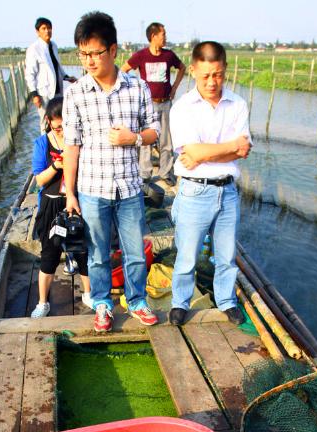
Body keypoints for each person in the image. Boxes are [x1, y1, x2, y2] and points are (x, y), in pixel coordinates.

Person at [62, 12, 161, 333]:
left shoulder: (137, 87)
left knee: (135, 252)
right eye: (83, 54)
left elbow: (154, 130)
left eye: (95, 53)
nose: (89, 61)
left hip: (130, 188)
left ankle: (137, 301)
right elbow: (72, 146)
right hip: (92, 189)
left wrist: (133, 138)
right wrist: (71, 193)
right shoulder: (76, 93)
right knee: (97, 254)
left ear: (113, 50)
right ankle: (102, 303)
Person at [168, 41, 252, 327]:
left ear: (225, 70)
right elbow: (193, 153)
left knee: (227, 255)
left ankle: (226, 301)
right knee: (187, 254)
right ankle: (180, 302)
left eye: (217, 74)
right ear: (192, 71)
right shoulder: (182, 108)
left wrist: (204, 152)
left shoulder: (238, 104)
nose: (212, 82)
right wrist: (226, 149)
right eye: (205, 75)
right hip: (194, 190)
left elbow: (243, 150)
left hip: (227, 191)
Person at [31, 96, 91, 318]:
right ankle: (42, 302)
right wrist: (57, 164)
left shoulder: (79, 140)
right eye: (57, 127)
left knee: (83, 249)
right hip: (51, 203)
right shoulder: (41, 144)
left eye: (66, 126)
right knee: (50, 253)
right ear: (48, 121)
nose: (62, 132)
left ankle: (88, 293)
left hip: (75, 200)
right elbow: (40, 180)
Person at [121, 22, 186, 186]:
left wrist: (174, 87)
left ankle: (165, 172)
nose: (165, 37)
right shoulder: (141, 55)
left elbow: (182, 68)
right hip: (147, 104)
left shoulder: (168, 55)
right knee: (145, 140)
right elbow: (123, 70)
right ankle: (145, 174)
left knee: (166, 140)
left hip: (165, 103)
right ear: (153, 36)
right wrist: (133, 89)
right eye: (163, 34)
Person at [25, 17, 77, 129]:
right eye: (43, 28)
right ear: (37, 32)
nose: (47, 31)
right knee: (45, 120)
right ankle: (45, 145)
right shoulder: (34, 49)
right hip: (44, 92)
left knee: (60, 118)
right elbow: (30, 74)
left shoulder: (53, 46)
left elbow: (57, 66)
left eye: (49, 28)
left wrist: (67, 77)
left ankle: (58, 144)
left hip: (57, 90)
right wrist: (34, 95)